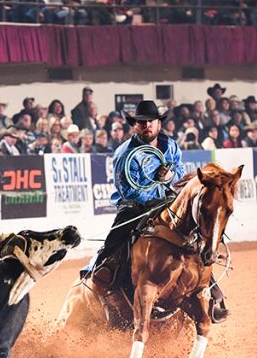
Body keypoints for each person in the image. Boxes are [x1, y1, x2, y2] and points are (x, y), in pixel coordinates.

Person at [85, 99, 229, 321]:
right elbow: (128, 189)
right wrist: (156, 191)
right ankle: (106, 271)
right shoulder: (125, 153)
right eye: (141, 123)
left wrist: (170, 176)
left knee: (195, 231)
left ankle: (209, 289)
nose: (146, 126)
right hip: (135, 205)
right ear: (135, 125)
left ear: (158, 123)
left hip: (165, 200)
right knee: (119, 236)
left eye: (150, 122)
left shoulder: (169, 145)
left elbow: (179, 170)